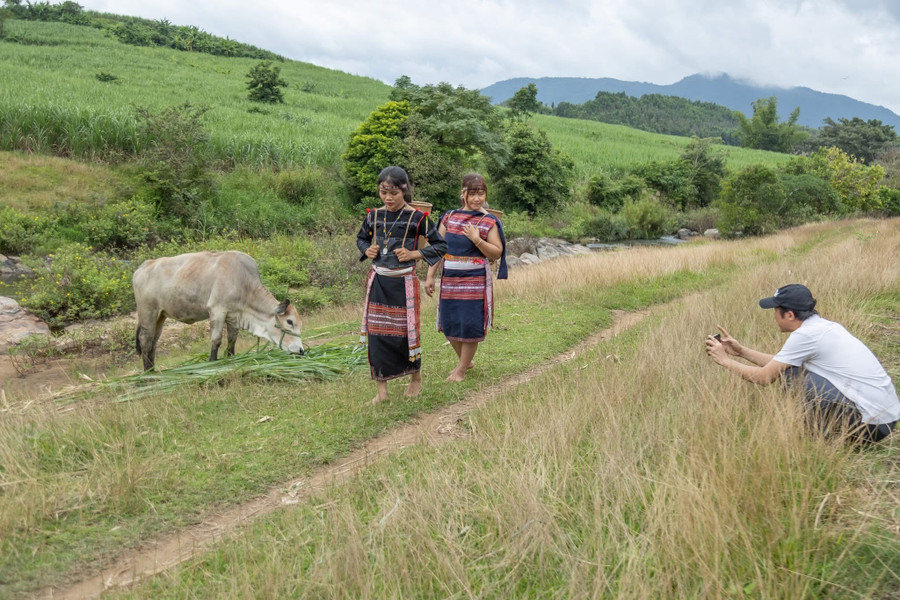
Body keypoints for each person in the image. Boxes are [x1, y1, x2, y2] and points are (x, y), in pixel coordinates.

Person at [706, 284, 899, 443]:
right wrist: (741, 351)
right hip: (886, 419)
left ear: (789, 315)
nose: (774, 316)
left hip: (872, 427)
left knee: (791, 377)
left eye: (776, 311)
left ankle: (819, 438)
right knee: (791, 371)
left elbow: (764, 377)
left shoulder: (805, 335)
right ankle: (821, 434)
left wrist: (725, 361)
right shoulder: (824, 327)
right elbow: (780, 363)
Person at [357, 166, 447, 404]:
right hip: (378, 281)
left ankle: (415, 379)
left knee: (407, 334)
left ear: (404, 191)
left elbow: (440, 246)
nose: (388, 198)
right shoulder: (373, 216)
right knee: (377, 334)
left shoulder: (419, 218)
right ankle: (382, 392)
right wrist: (367, 249)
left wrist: (414, 254)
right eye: (383, 192)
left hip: (404, 283)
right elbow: (361, 238)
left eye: (393, 193)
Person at [425, 173, 508, 382]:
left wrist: (476, 239)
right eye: (472, 194)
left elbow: (496, 252)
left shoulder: (488, 220)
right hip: (450, 278)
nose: (477, 198)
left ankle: (461, 370)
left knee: (470, 323)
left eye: (481, 193)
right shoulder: (449, 217)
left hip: (475, 280)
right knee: (449, 321)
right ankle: (466, 361)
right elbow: (438, 248)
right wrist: (429, 275)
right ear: (463, 194)